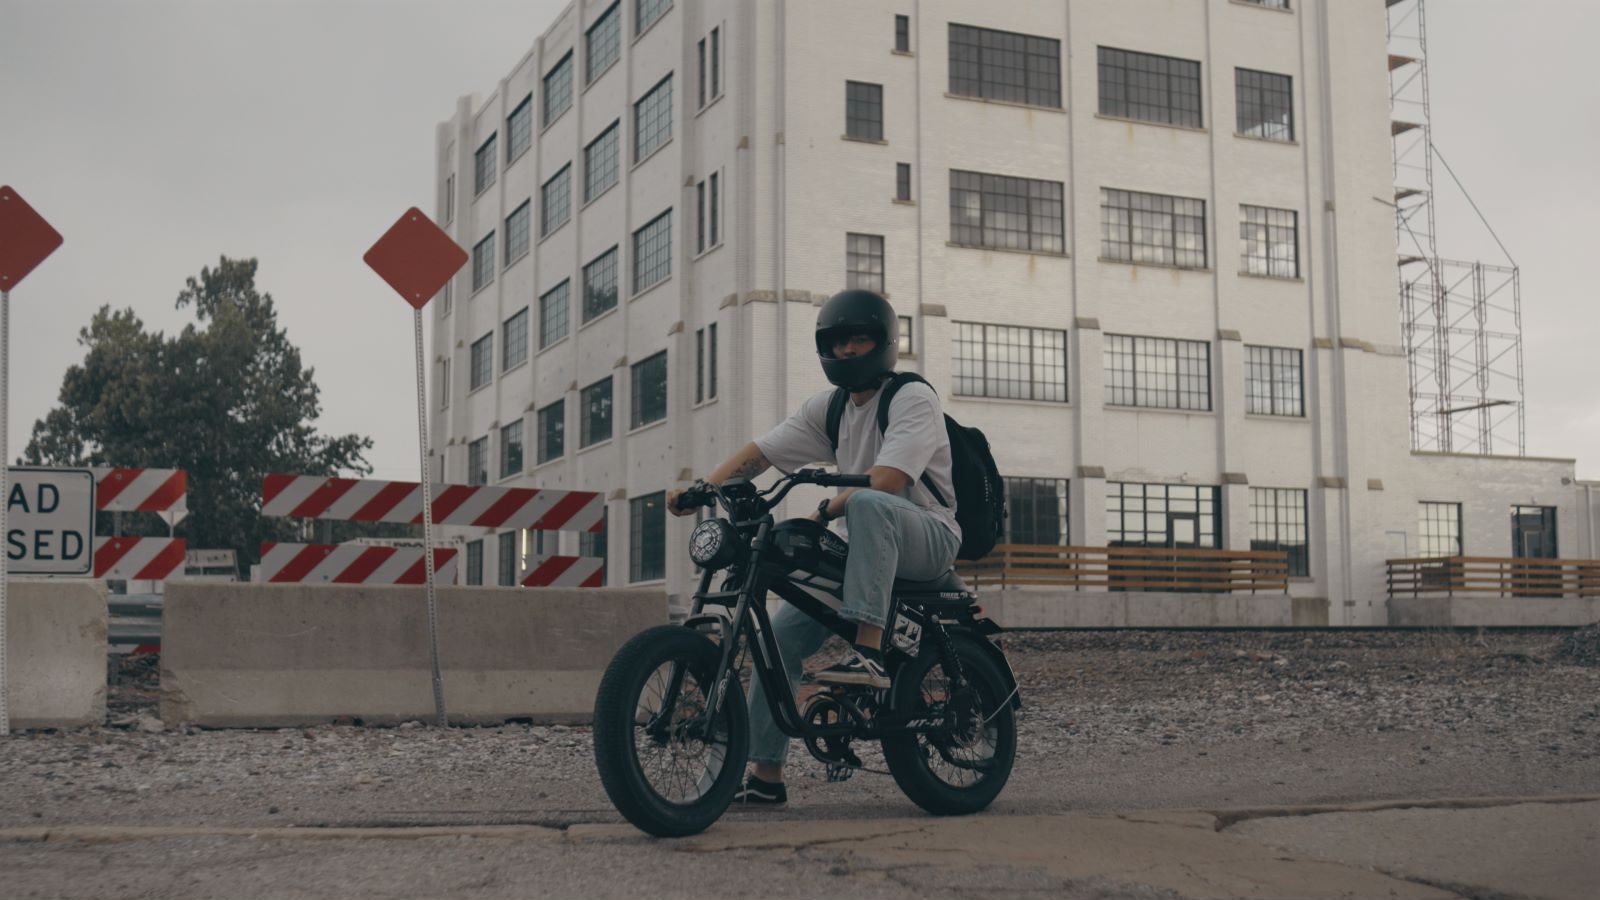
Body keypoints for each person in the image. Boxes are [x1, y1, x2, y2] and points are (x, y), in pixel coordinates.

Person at [666, 288, 960, 807]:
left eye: (859, 339)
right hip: (864, 544)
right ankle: (765, 775)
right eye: (838, 341)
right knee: (778, 637)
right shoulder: (831, 409)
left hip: (929, 536)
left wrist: (825, 509)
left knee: (866, 502)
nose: (848, 350)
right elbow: (763, 452)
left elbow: (889, 480)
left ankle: (868, 652)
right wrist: (703, 489)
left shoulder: (912, 397)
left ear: (884, 342)